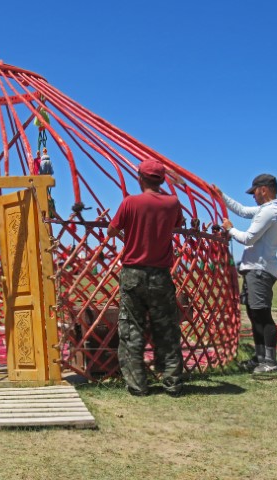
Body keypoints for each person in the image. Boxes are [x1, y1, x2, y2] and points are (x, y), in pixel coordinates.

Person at [107, 159, 184, 397]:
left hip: (133, 274)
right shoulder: (173, 203)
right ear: (161, 180)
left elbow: (112, 230)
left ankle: (138, 385)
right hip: (160, 274)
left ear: (140, 178)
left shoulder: (130, 202)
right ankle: (172, 383)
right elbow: (178, 225)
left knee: (132, 329)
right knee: (167, 329)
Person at [215, 174, 277, 373]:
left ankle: (270, 362)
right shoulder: (268, 210)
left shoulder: (271, 212)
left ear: (264, 189)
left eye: (254, 191)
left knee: (262, 314)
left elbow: (248, 238)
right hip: (255, 269)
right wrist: (221, 196)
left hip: (260, 269)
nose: (253, 196)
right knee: (254, 314)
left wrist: (230, 230)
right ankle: (260, 357)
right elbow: (244, 211)